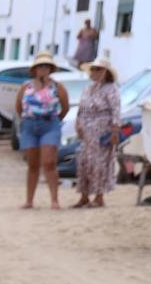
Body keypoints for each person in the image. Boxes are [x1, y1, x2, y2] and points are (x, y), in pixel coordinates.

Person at [15, 52, 71, 210]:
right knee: (32, 164)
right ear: (35, 69)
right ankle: (29, 200)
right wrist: (28, 118)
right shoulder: (26, 87)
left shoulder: (58, 87)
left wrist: (55, 120)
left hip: (50, 124)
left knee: (49, 162)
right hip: (30, 125)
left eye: (46, 66)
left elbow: (65, 107)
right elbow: (19, 107)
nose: (43, 69)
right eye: (40, 66)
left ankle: (54, 199)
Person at [73, 58, 119, 208]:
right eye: (93, 69)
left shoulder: (111, 89)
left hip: (101, 130)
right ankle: (84, 195)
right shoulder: (89, 89)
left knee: (99, 163)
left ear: (106, 72)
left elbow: (116, 111)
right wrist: (78, 124)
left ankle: (99, 196)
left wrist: (114, 131)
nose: (95, 72)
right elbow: (81, 109)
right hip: (87, 132)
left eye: (98, 69)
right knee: (84, 162)